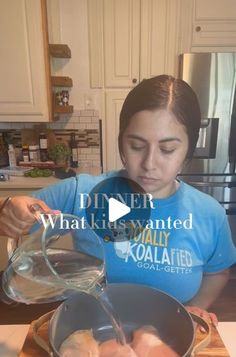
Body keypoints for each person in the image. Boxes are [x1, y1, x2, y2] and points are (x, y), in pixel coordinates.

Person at [0, 75, 235, 326]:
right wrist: (7, 207)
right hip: (90, 335)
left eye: (167, 149)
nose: (149, 164)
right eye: (136, 146)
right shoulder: (85, 193)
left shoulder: (208, 214)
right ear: (122, 141)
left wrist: (196, 308)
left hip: (165, 338)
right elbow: (17, 217)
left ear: (188, 151)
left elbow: (217, 271)